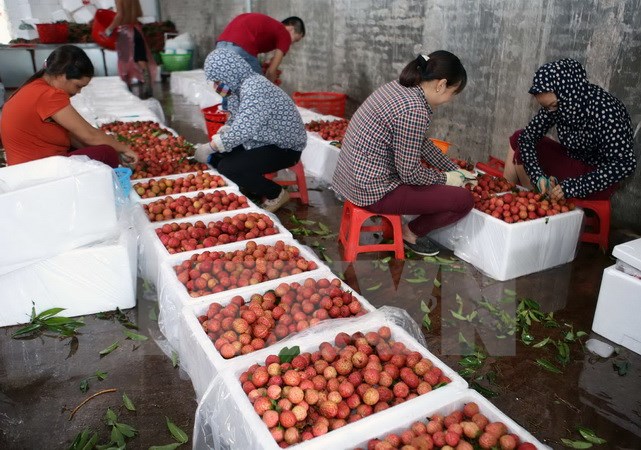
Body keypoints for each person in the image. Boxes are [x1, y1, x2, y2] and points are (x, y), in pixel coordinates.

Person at [332, 51, 475, 256]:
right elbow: (410, 174)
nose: (449, 100)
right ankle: (410, 233)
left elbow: (420, 142)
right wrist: (446, 178)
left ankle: (408, 228)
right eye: (452, 93)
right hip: (372, 191)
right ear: (441, 84)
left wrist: (453, 168)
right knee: (464, 200)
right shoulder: (414, 109)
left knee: (438, 184)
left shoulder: (400, 88)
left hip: (351, 178)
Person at [503, 58, 636, 201]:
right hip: (573, 159)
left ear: (567, 94)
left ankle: (538, 207)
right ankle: (505, 197)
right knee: (520, 137)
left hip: (596, 176)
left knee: (520, 154)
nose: (550, 111)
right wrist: (537, 175)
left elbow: (625, 164)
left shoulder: (605, 111)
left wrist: (574, 187)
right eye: (546, 107)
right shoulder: (561, 103)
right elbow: (527, 137)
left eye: (553, 105)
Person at [193, 49, 307, 213]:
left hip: (284, 148)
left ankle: (276, 193)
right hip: (261, 140)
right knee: (220, 157)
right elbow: (236, 121)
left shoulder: (255, 87)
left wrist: (211, 146)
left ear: (229, 72)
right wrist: (225, 132)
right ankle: (248, 184)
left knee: (228, 167)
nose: (216, 86)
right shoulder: (236, 89)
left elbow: (243, 130)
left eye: (217, 81)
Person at [0, 45, 138, 168]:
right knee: (106, 153)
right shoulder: (49, 95)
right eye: (78, 86)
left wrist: (110, 146)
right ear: (61, 75)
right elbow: (90, 135)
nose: (77, 92)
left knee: (100, 147)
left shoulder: (34, 86)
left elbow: (73, 134)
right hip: (35, 169)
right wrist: (123, 149)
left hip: (23, 165)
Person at [216, 13, 305, 83]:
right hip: (240, 48)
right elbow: (271, 72)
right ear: (291, 28)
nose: (291, 44)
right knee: (258, 88)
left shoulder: (271, 27)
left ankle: (226, 105)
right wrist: (269, 85)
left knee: (227, 86)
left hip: (220, 47)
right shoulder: (284, 32)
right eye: (295, 40)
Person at [104, 0, 158, 98]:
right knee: (140, 57)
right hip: (136, 30)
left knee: (124, 60)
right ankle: (147, 86)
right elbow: (139, 13)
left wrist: (109, 29)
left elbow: (120, 16)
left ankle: (127, 87)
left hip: (126, 33)